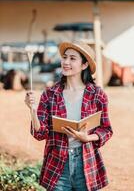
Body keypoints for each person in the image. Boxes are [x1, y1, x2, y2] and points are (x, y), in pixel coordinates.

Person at [25, 41, 113, 191]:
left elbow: (106, 129)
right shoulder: (50, 94)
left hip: (86, 163)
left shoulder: (97, 95)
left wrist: (88, 138)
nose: (66, 62)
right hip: (58, 163)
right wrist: (32, 111)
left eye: (72, 59)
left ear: (84, 65)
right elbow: (40, 133)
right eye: (64, 57)